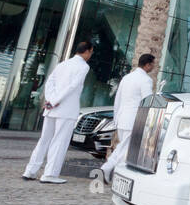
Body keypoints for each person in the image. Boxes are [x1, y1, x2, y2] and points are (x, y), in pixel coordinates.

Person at [22, 41, 94, 184]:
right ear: (87, 51)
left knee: (44, 140)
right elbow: (72, 86)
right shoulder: (83, 66)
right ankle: (50, 174)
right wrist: (55, 101)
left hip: (51, 108)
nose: (91, 55)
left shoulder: (62, 64)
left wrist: (50, 100)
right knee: (60, 141)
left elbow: (50, 83)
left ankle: (30, 171)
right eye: (91, 52)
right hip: (66, 109)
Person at [100, 54, 156, 183]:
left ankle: (110, 172)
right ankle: (109, 171)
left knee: (123, 148)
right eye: (153, 64)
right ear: (147, 65)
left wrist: (116, 118)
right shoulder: (145, 80)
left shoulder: (127, 77)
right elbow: (147, 102)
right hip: (134, 120)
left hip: (122, 118)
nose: (154, 66)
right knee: (126, 150)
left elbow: (117, 100)